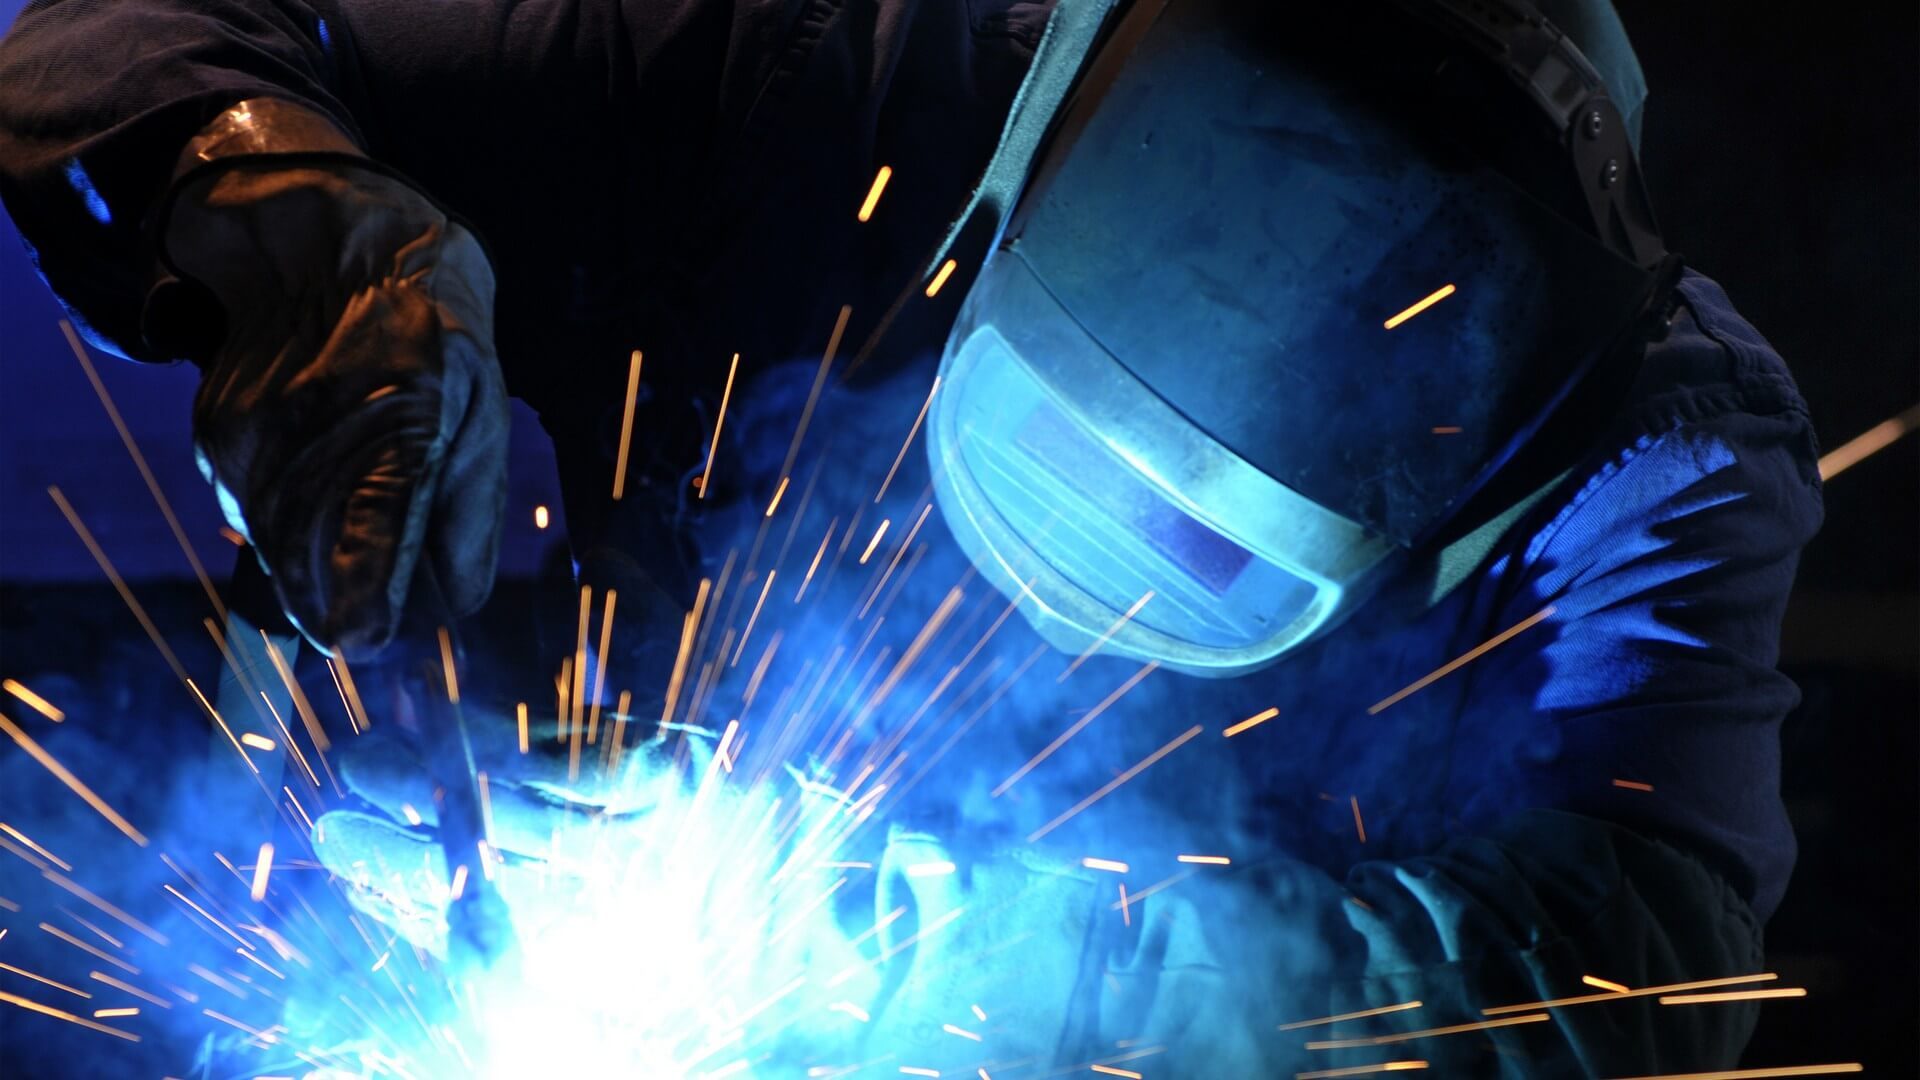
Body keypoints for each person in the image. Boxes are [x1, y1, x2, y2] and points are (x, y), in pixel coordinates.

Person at [0, 0, 1820, 1076]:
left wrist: (926, 932)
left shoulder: (1652, 456)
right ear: (1035, 170)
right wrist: (271, 205)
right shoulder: (839, 63)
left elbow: (1627, 982)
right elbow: (117, 24)